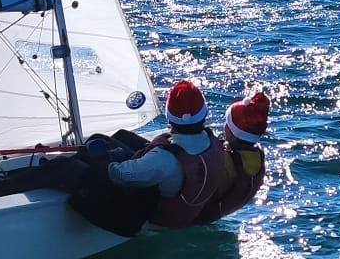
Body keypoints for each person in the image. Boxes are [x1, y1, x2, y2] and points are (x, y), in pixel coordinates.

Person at [67, 80, 225, 235]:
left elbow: (119, 174)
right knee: (120, 136)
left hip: (153, 218)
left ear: (169, 118)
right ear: (204, 115)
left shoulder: (164, 158)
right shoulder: (214, 142)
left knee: (68, 166)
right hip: (181, 201)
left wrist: (101, 159)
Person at [193, 90, 271, 225]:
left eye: (227, 124)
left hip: (197, 213)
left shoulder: (225, 160)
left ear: (232, 132)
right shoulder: (257, 158)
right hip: (215, 214)